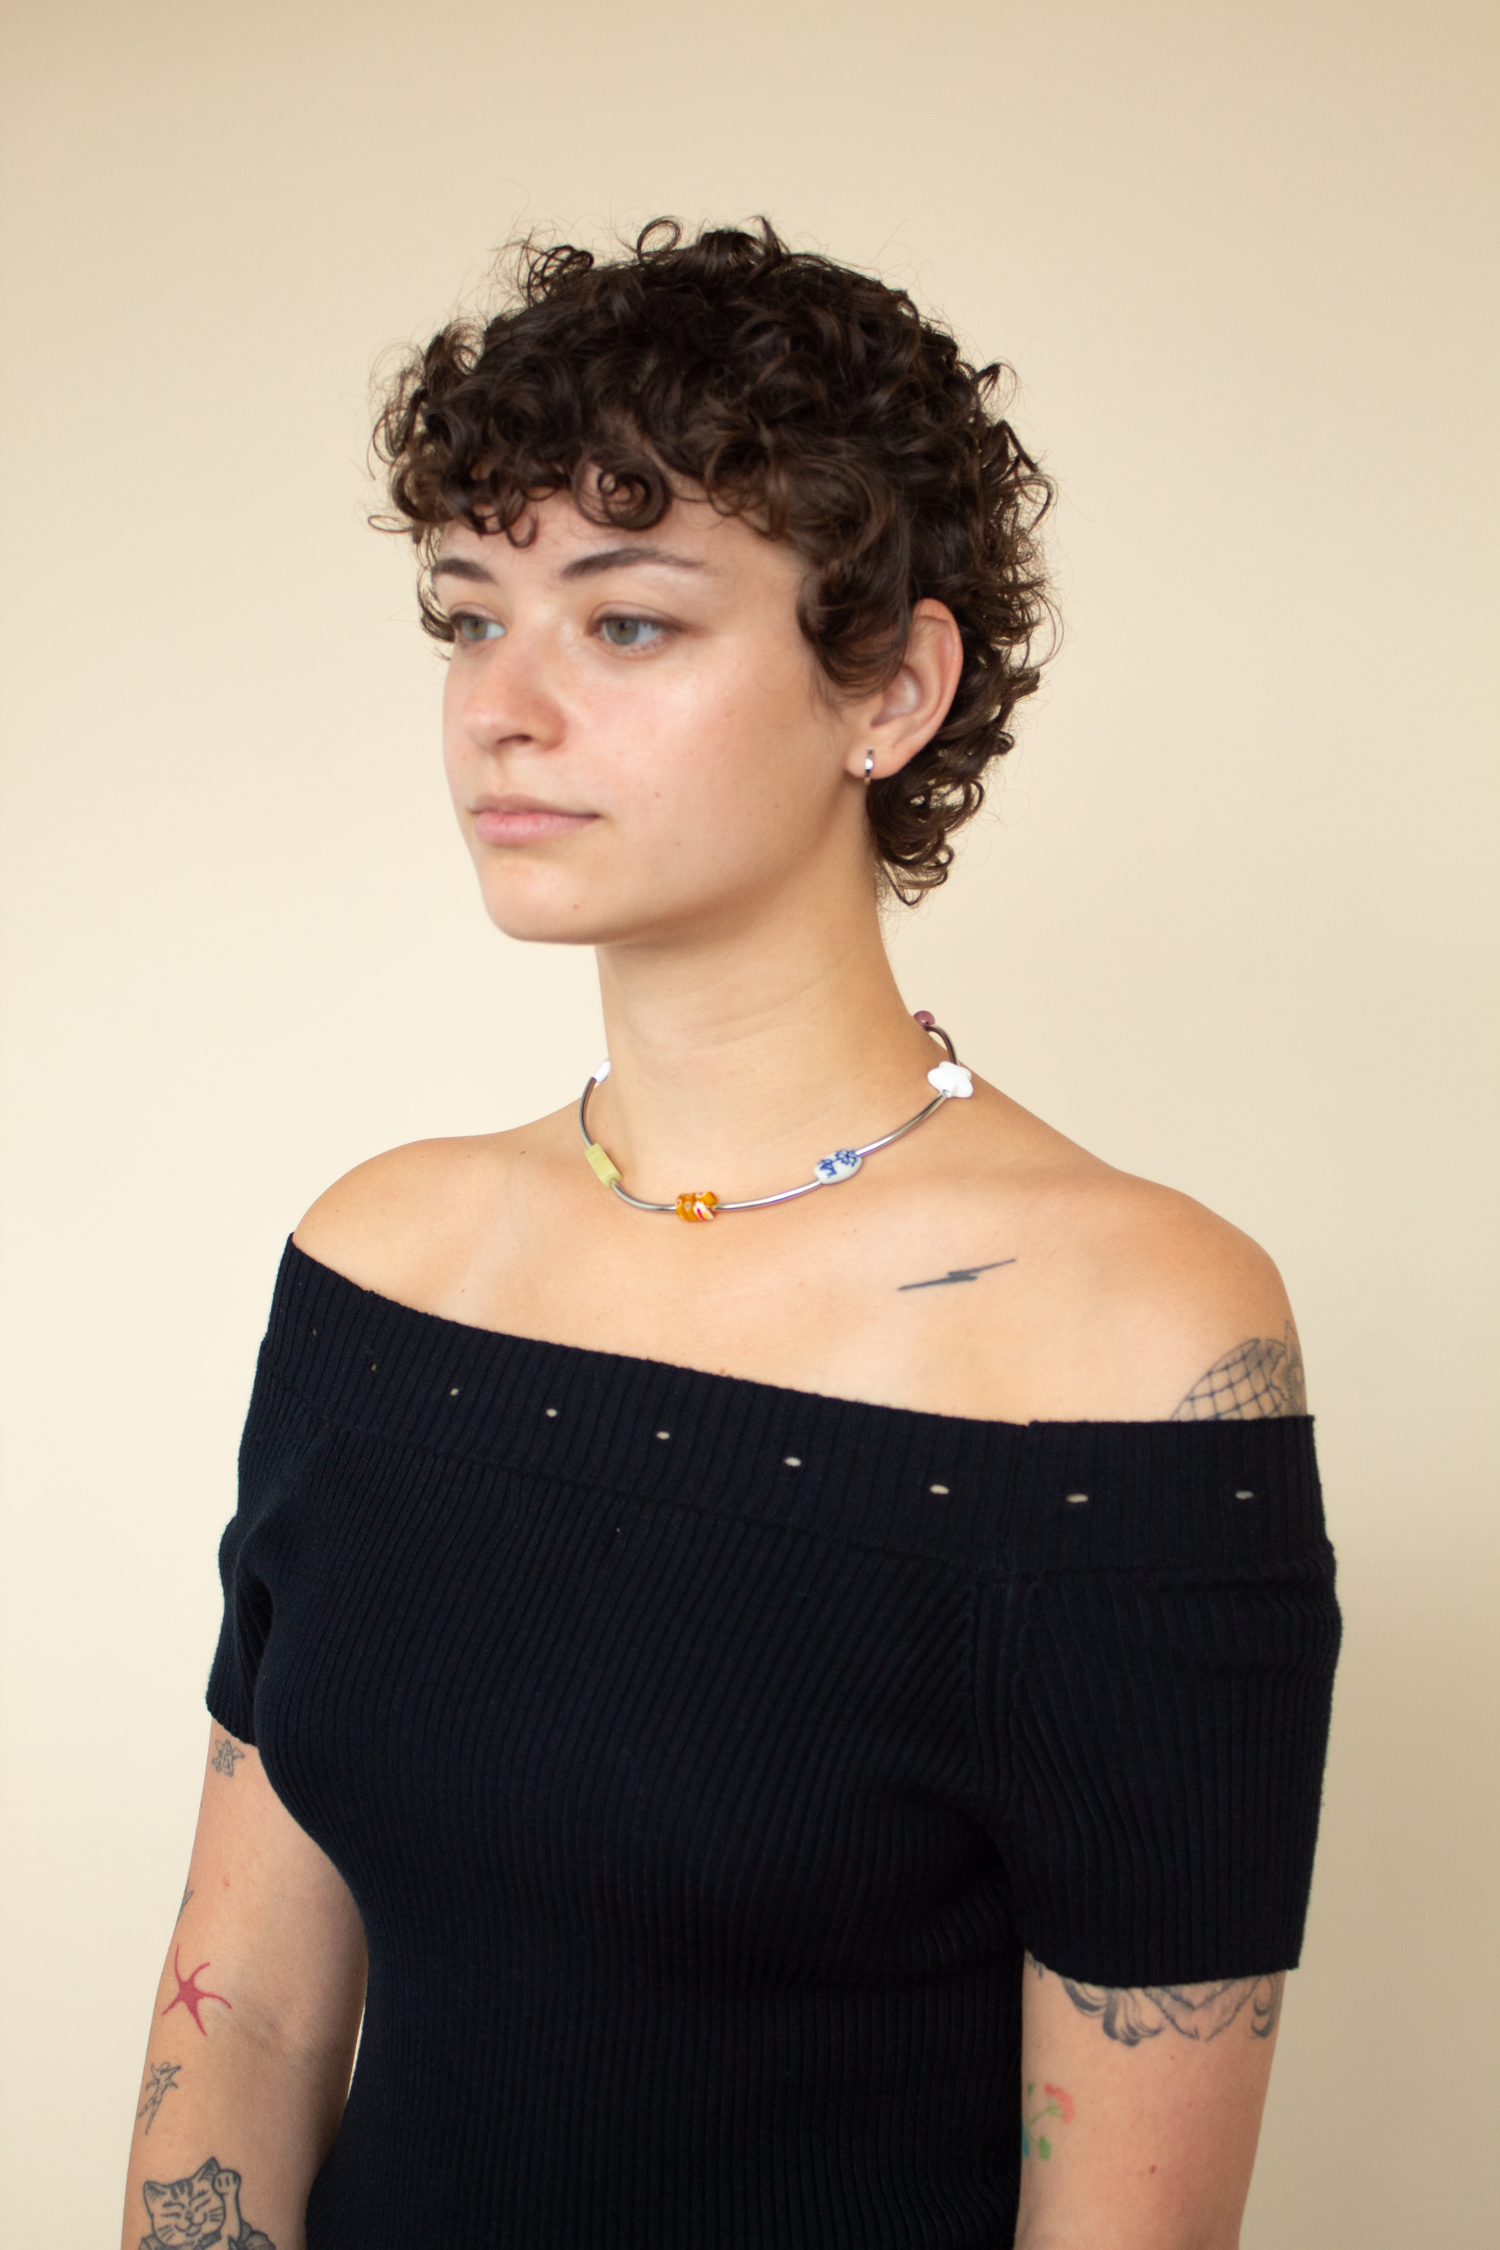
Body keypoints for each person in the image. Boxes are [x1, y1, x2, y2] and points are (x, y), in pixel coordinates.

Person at [121, 219, 1339, 2250]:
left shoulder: (1137, 1339)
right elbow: (239, 2016)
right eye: (467, 616)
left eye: (626, 621)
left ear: (893, 690)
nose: (500, 708)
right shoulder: (383, 1262)